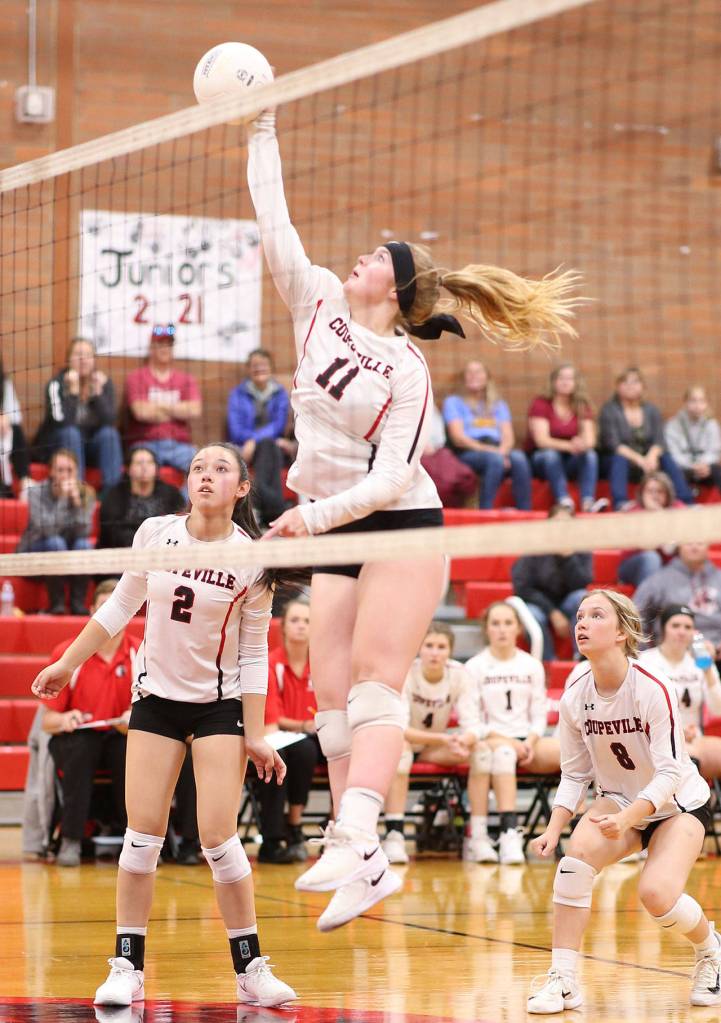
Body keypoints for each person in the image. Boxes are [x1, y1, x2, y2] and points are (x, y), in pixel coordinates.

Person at [246, 106, 580, 931]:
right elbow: (273, 221)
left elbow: (396, 473)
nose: (355, 255)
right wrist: (257, 126)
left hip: (399, 521)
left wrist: (312, 516)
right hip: (328, 521)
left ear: (391, 287)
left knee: (369, 676)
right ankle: (361, 862)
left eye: (374, 257)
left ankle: (359, 828)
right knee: (327, 692)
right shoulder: (317, 299)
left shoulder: (405, 364)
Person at [30, 442, 296, 1008]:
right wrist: (66, 663)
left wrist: (254, 732)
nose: (205, 475)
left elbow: (253, 653)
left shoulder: (252, 558)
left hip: (219, 705)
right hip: (154, 699)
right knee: (142, 836)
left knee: (219, 837)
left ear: (242, 487)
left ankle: (250, 970)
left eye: (220, 468)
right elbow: (117, 607)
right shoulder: (154, 533)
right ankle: (127, 965)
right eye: (198, 467)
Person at [527, 590, 717, 1014]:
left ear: (622, 632)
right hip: (618, 799)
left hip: (678, 803)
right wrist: (553, 828)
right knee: (573, 862)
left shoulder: (652, 685)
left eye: (596, 615)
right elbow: (575, 772)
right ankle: (564, 980)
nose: (581, 623)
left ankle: (710, 951)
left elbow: (669, 772)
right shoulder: (576, 689)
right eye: (578, 615)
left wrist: (631, 816)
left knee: (655, 895)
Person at [41, 580, 136, 867]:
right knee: (81, 749)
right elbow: (47, 721)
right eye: (104, 607)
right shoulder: (68, 653)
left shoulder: (140, 652)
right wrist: (65, 719)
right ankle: (70, 839)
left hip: (122, 734)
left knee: (130, 753)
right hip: (80, 737)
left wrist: (136, 717)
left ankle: (136, 842)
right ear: (93, 611)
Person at [462, 601, 560, 864]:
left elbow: (539, 715)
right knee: (504, 753)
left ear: (518, 628)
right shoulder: (474, 666)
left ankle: (585, 825)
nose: (502, 629)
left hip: (528, 741)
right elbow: (471, 721)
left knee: (576, 754)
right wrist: (509, 742)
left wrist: (529, 741)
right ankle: (501, 835)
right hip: (491, 740)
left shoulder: (531, 665)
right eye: (495, 623)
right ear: (486, 629)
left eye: (508, 623)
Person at [381, 622, 477, 866]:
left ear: (450, 651)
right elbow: (400, 727)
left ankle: (478, 835)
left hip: (433, 747)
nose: (435, 652)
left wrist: (462, 741)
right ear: (419, 649)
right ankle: (395, 834)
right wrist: (445, 739)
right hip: (404, 741)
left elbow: (474, 725)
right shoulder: (405, 673)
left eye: (441, 647)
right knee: (400, 756)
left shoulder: (460, 674)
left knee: (482, 754)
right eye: (429, 646)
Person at [255, 597, 322, 864]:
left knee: (344, 749)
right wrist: (305, 726)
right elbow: (273, 720)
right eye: (295, 620)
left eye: (307, 621)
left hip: (317, 737)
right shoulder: (271, 663)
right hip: (283, 736)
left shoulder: (321, 663)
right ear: (282, 628)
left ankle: (340, 832)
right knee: (287, 752)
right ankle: (283, 833)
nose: (301, 626)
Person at [640, 605, 721, 781]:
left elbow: (718, 709)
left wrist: (708, 670)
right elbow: (635, 708)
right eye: (675, 626)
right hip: (654, 739)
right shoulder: (645, 661)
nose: (682, 632)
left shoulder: (701, 663)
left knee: (695, 752)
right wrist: (676, 730)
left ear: (694, 632)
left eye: (688, 627)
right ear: (663, 629)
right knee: (683, 755)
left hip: (694, 741)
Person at [33, 338, 123, 493]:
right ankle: (77, 493)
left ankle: (111, 497)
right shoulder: (56, 384)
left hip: (91, 448)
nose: (83, 360)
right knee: (71, 433)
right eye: (78, 354)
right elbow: (60, 421)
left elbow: (110, 421)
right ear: (68, 360)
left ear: (94, 360)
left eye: (88, 355)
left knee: (110, 434)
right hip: (60, 446)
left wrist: (98, 395)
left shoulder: (103, 383)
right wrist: (73, 394)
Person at [598, 366, 693, 509]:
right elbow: (613, 444)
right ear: (618, 386)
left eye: (635, 382)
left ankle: (686, 501)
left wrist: (652, 456)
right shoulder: (609, 410)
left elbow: (660, 441)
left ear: (643, 386)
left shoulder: (651, 410)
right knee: (619, 459)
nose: (630, 386)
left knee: (666, 457)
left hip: (647, 462)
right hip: (618, 462)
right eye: (625, 382)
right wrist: (640, 460)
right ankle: (620, 503)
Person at [442, 360, 531, 509]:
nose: (473, 376)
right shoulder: (453, 402)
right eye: (469, 373)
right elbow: (458, 438)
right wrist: (495, 452)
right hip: (467, 451)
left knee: (519, 458)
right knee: (494, 460)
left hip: (497, 448)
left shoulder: (498, 404)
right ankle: (486, 510)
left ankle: (525, 511)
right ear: (463, 378)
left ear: (487, 377)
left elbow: (508, 437)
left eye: (478, 372)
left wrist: (502, 452)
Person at [16, 448, 95, 615]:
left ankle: (77, 604)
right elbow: (47, 529)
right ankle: (56, 604)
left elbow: (85, 531)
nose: (65, 475)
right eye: (60, 470)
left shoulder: (86, 493)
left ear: (77, 472)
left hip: (67, 557)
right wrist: (62, 499)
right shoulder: (36, 492)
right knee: (55, 542)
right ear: (51, 471)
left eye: (70, 470)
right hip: (34, 553)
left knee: (84, 544)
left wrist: (76, 502)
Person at [511, 504, 592, 661]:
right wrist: (552, 612)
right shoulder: (535, 547)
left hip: (567, 602)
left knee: (582, 598)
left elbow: (582, 583)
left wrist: (569, 559)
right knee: (533, 615)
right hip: (539, 604)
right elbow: (522, 587)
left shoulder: (581, 548)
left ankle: (582, 657)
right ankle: (548, 661)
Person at [227, 348, 293, 528]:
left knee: (267, 447)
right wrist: (252, 442)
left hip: (270, 446)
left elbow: (279, 425)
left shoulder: (279, 393)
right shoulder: (237, 394)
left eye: (263, 364)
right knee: (268, 448)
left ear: (271, 368)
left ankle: (259, 506)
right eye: (255, 365)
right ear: (248, 369)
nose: (259, 368)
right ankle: (275, 510)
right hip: (243, 447)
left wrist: (254, 441)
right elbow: (236, 430)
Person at [124, 324, 201, 473]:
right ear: (152, 347)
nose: (165, 348)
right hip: (145, 444)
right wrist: (177, 410)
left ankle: (181, 498)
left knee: (201, 467)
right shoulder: (136, 377)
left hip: (180, 445)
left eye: (169, 344)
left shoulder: (186, 379)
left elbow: (194, 410)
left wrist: (157, 407)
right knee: (143, 467)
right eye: (161, 344)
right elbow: (141, 412)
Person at [526, 363, 602, 513]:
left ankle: (588, 502)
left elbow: (590, 441)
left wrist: (582, 444)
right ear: (553, 382)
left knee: (590, 455)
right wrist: (571, 445)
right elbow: (542, 441)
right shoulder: (541, 403)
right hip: (543, 461)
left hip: (570, 461)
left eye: (570, 378)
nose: (565, 382)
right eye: (561, 378)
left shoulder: (582, 405)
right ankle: (563, 500)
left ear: (576, 383)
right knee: (550, 454)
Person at [634, 542, 721, 654]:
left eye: (700, 542)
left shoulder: (719, 577)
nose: (694, 546)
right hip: (672, 658)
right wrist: (646, 657)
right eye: (688, 542)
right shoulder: (658, 580)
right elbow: (636, 618)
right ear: (678, 546)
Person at [97, 446, 185, 552]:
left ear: (156, 468)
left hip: (163, 551)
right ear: (128, 469)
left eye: (149, 463)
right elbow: (111, 533)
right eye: (139, 463)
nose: (144, 467)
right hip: (123, 554)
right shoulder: (114, 495)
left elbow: (180, 524)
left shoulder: (171, 493)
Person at [616, 471, 681, 587]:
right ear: (642, 493)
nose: (654, 495)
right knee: (651, 557)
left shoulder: (677, 509)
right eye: (650, 491)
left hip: (666, 566)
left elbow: (670, 549)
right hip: (633, 564)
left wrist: (659, 514)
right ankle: (648, 603)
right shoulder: (634, 511)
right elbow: (649, 545)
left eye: (660, 491)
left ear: (668, 494)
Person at [665, 386, 721, 494]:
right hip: (683, 467)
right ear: (685, 402)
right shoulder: (673, 425)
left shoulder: (711, 424)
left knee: (717, 471)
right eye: (693, 401)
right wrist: (692, 466)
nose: (697, 405)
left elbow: (714, 451)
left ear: (707, 403)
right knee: (672, 472)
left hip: (705, 467)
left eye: (701, 401)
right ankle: (686, 503)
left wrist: (703, 465)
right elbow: (673, 453)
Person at [420, 404, 477, 508]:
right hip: (413, 454)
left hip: (436, 451)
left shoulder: (429, 404)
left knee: (460, 475)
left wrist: (432, 446)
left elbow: (440, 438)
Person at [0, 358, 31, 498]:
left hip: (3, 438)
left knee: (16, 429)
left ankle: (25, 481)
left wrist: (4, 416)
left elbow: (16, 417)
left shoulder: (4, 383)